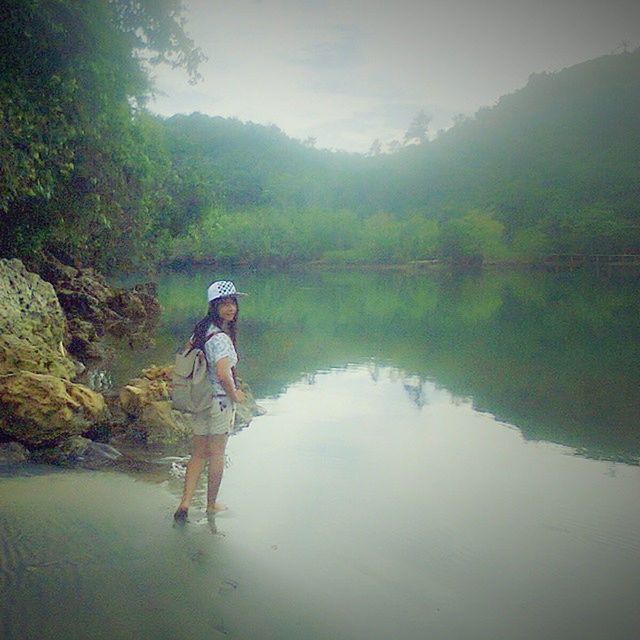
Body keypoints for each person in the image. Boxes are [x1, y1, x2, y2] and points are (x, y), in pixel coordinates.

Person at [174, 280, 247, 522]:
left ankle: (185, 503)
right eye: (224, 303)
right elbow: (224, 373)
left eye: (232, 303)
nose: (230, 308)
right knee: (217, 454)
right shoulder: (221, 338)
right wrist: (235, 394)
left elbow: (186, 356)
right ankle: (211, 505)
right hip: (219, 403)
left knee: (197, 454)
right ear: (214, 306)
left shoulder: (201, 331)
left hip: (200, 399)